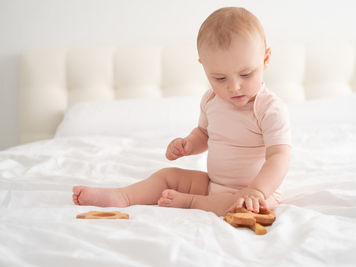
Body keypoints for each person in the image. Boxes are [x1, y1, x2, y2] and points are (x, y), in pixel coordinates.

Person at [72, 7, 291, 216]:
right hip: (213, 184)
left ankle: (192, 203)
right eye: (220, 78)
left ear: (265, 59)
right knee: (167, 176)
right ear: (203, 66)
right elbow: (204, 134)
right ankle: (123, 196)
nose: (233, 87)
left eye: (245, 74)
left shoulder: (269, 108)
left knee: (240, 206)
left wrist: (257, 191)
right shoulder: (211, 100)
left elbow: (279, 156)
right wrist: (188, 144)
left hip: (256, 192)